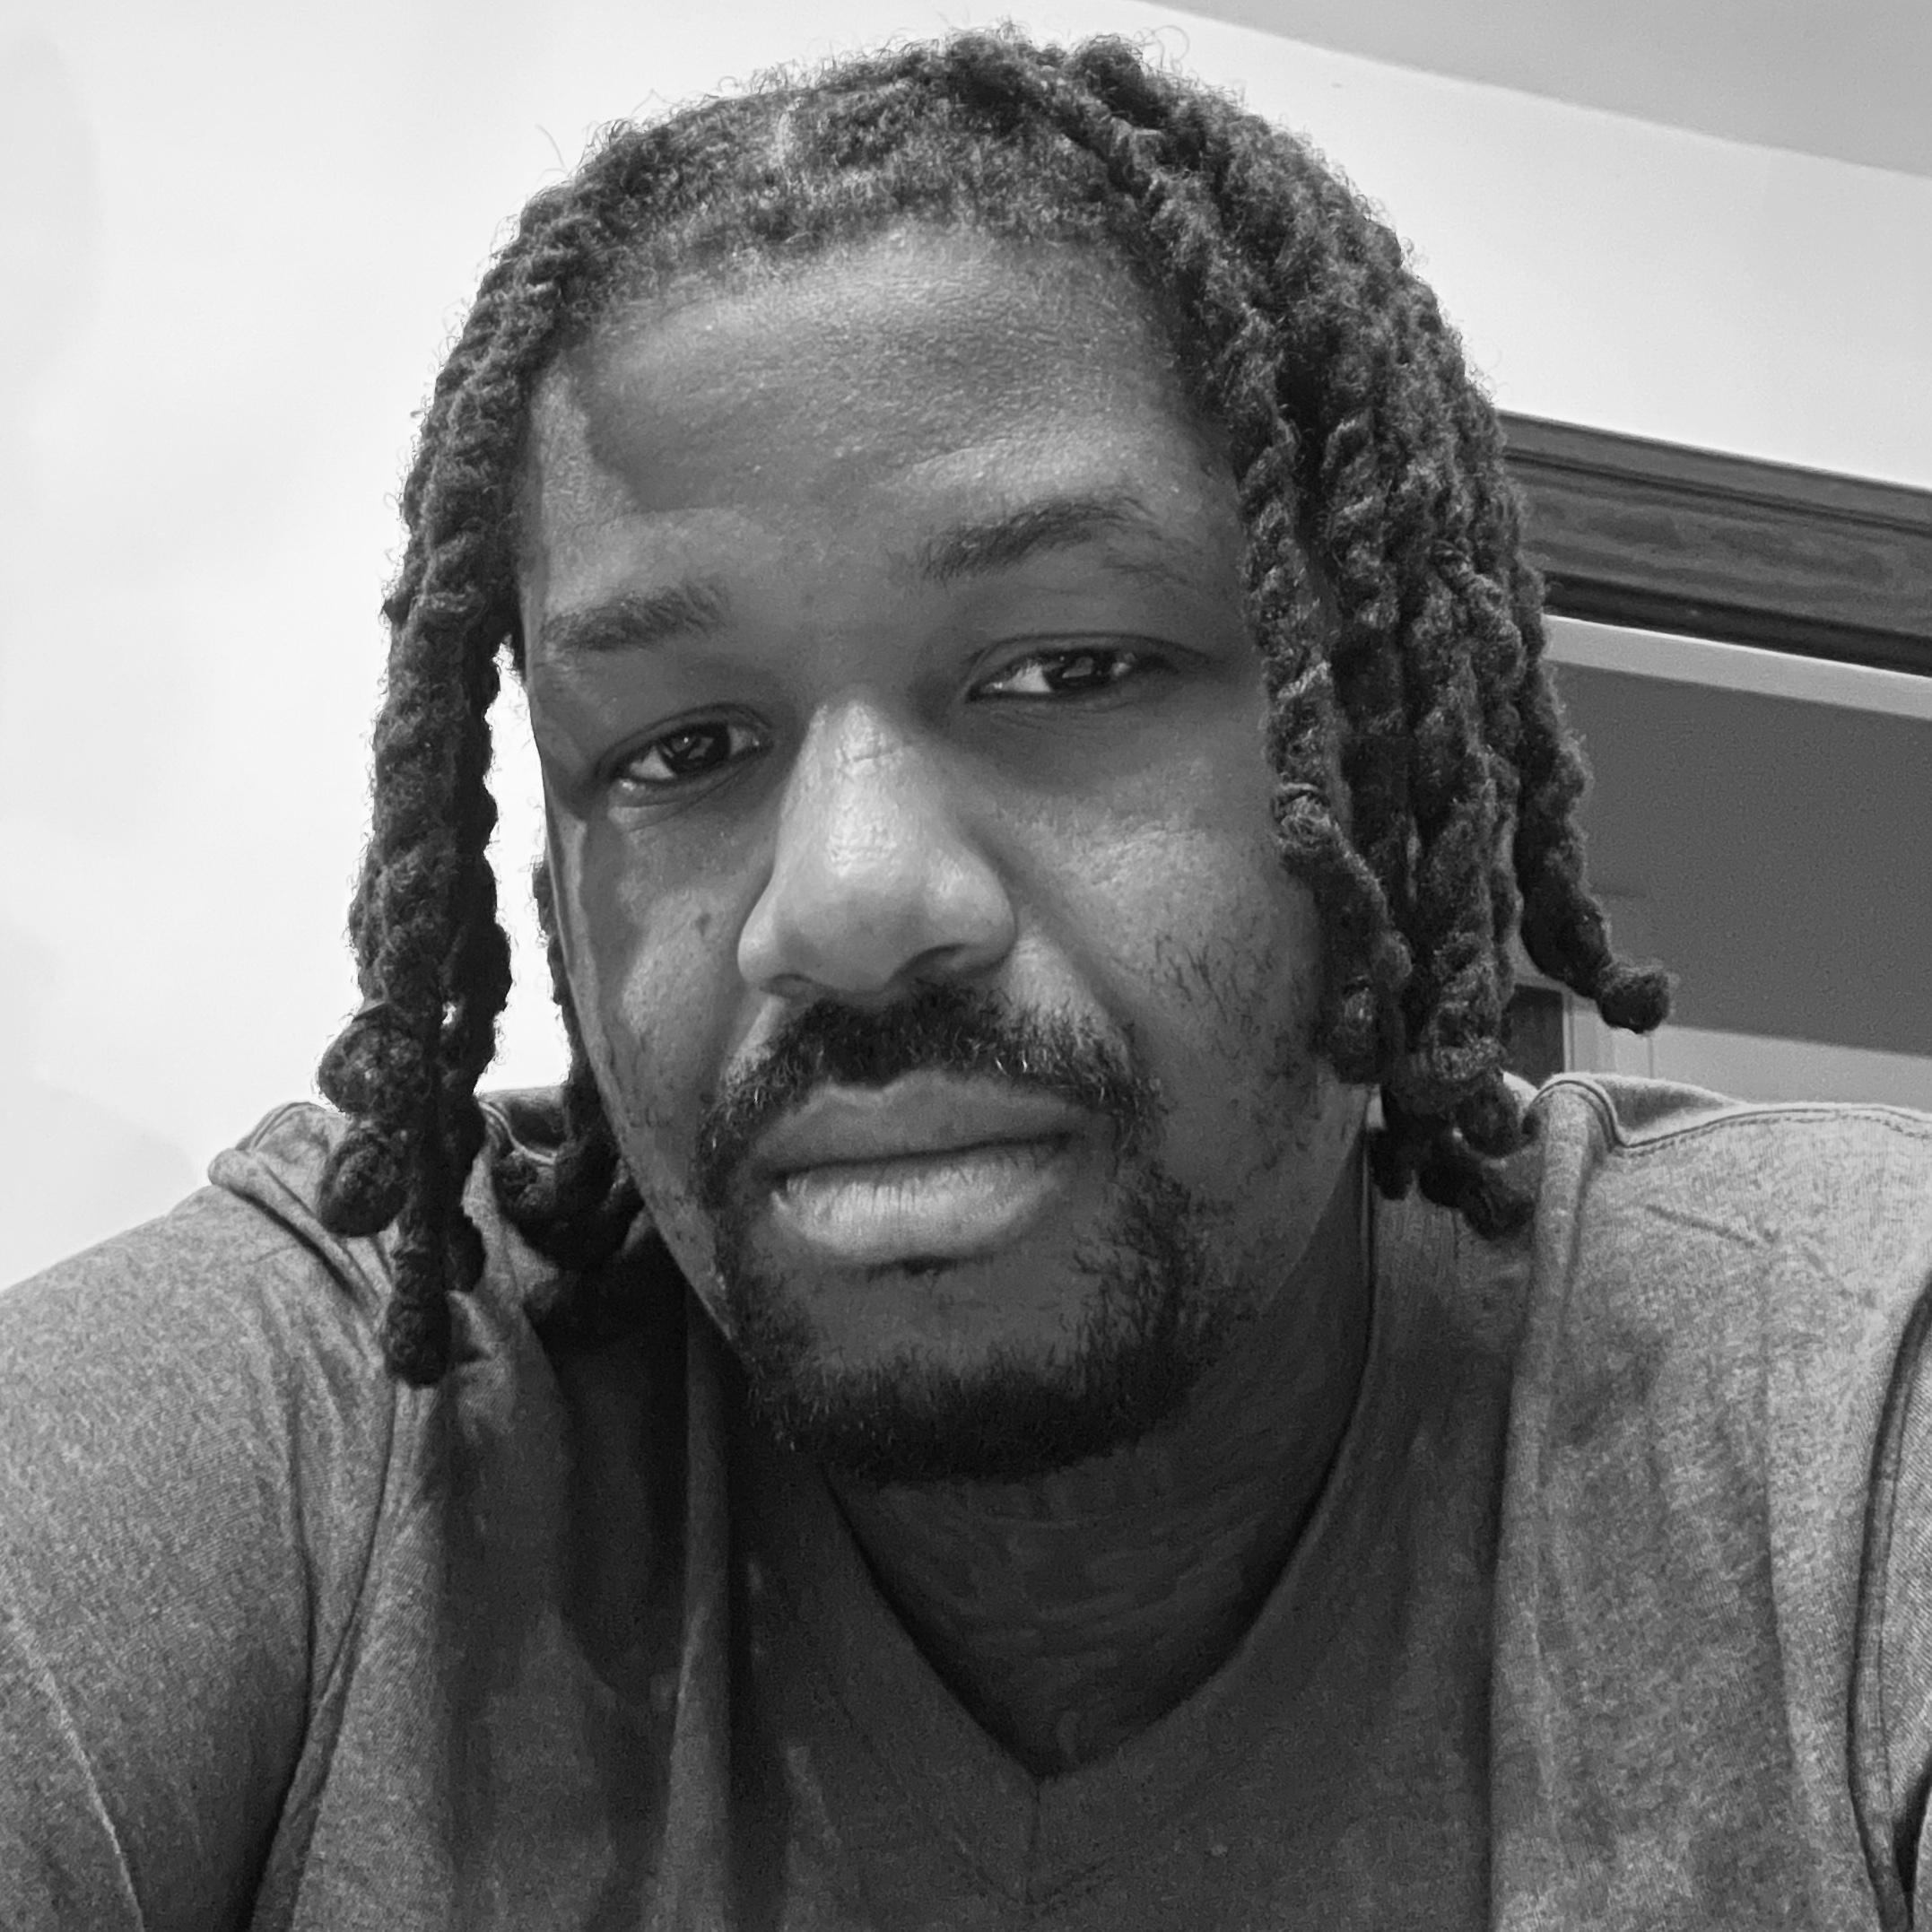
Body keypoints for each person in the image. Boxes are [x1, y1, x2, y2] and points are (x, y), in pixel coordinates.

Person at [2, 26, 1928, 1929]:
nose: (846, 904)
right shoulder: (363, 1414)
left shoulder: (1838, 1419)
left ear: (1380, 756)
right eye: (681, 748)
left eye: (1066, 670)